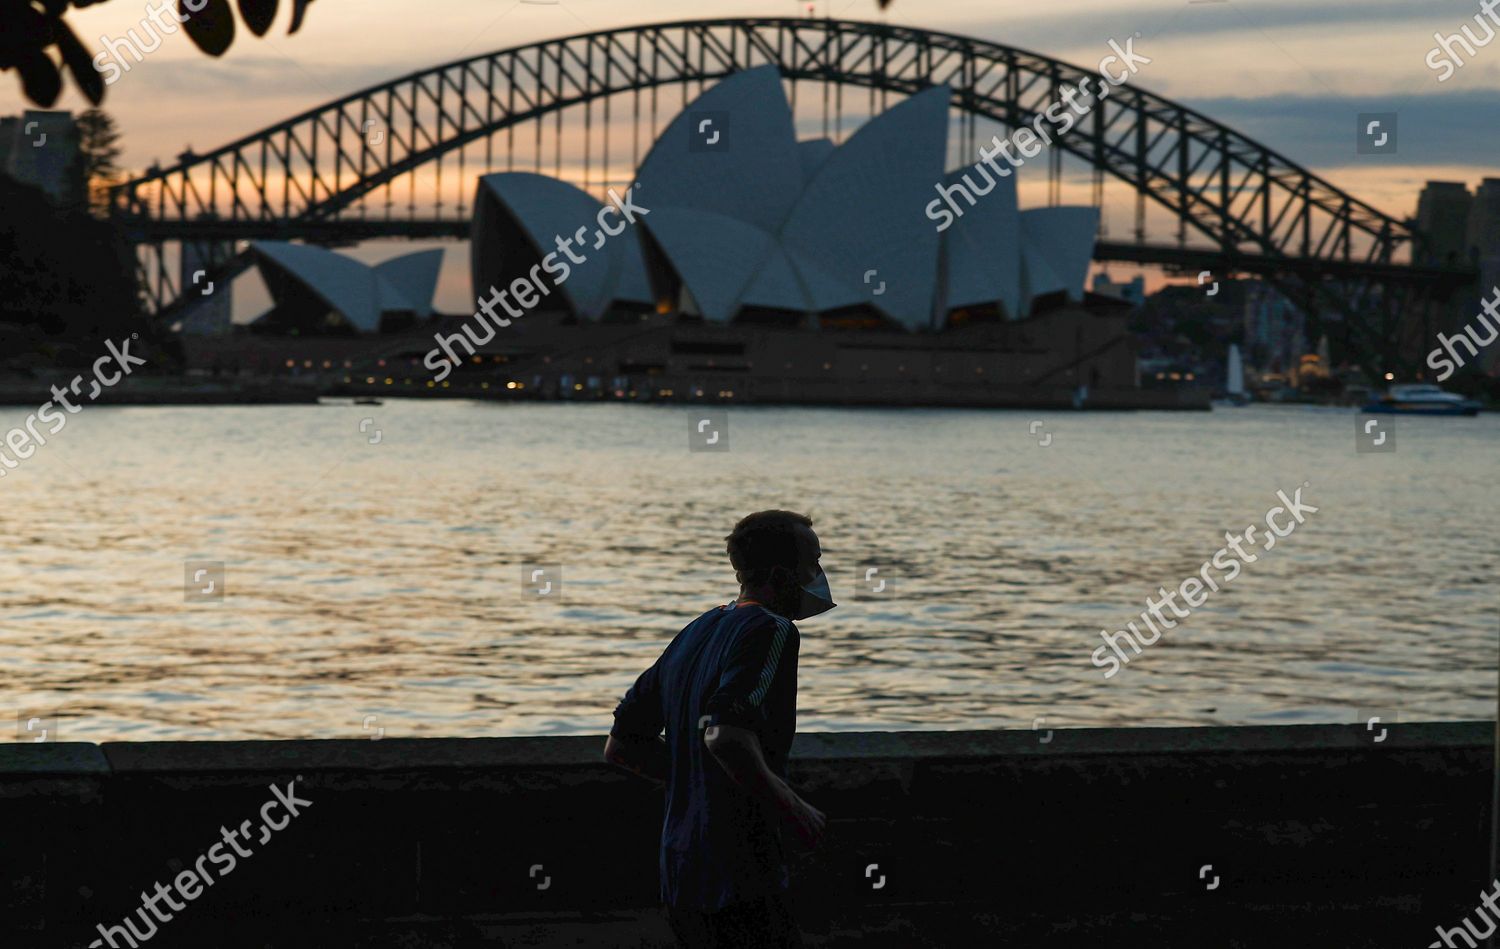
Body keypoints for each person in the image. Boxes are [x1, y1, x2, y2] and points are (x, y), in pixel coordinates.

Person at [603, 510, 832, 948]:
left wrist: (697, 778)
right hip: (743, 871)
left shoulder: (697, 630)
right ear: (783, 575)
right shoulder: (772, 629)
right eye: (814, 562)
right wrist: (795, 808)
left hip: (680, 872)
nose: (818, 575)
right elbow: (726, 735)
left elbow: (621, 746)